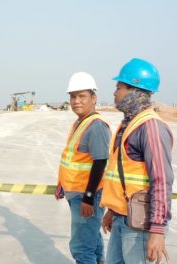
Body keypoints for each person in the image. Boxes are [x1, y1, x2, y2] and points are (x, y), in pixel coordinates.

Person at [100, 58, 174, 264]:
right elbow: (122, 175)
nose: (115, 93)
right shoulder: (129, 124)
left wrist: (157, 231)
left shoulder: (151, 128)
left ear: (134, 90)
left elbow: (161, 181)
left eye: (119, 87)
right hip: (122, 218)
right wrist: (112, 211)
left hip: (140, 225)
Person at [56, 72, 111, 264]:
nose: (76, 101)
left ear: (93, 98)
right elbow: (74, 159)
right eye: (73, 97)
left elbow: (100, 162)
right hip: (77, 192)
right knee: (92, 241)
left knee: (81, 248)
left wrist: (88, 197)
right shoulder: (81, 122)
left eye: (82, 96)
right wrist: (62, 183)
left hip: (88, 196)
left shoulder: (95, 126)